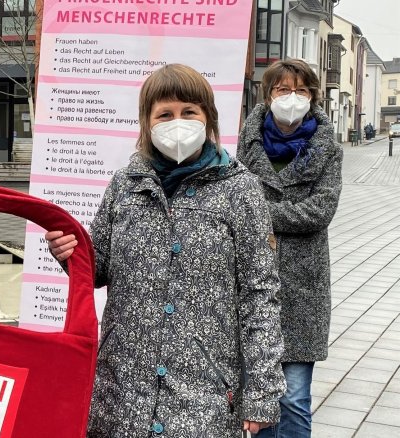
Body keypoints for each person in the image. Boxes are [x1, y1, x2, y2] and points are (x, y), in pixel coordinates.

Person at [46, 64, 286, 437]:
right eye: (165, 114)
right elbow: (98, 269)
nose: (178, 122)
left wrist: (262, 392)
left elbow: (260, 295)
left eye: (189, 111)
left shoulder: (242, 190)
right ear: (147, 123)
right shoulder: (125, 185)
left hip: (204, 391)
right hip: (121, 390)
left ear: (208, 118)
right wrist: (69, 252)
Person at [237, 59, 343, 438]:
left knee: (295, 398)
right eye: (283, 90)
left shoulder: (327, 147)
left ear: (313, 96)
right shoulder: (246, 144)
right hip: (254, 282)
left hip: (303, 287)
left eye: (301, 90)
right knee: (261, 398)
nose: (292, 98)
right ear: (268, 95)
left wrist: (258, 213)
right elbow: (234, 205)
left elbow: (319, 211)